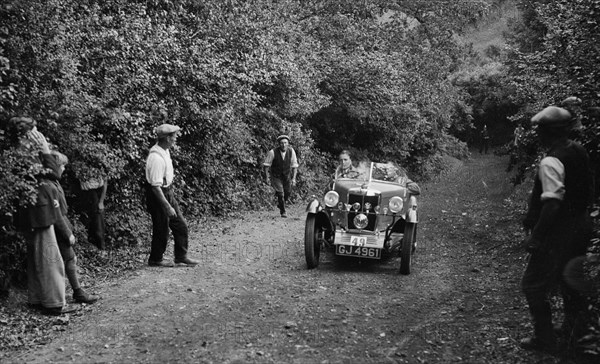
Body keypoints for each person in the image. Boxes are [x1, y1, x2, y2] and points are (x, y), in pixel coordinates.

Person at [520, 105, 593, 352]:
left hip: (559, 231)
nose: (537, 135)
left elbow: (552, 203)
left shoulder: (551, 161)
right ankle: (578, 333)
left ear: (546, 133)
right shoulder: (578, 150)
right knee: (569, 279)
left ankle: (545, 338)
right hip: (581, 225)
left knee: (533, 284)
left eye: (540, 130)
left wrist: (537, 237)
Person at [9, 117, 77, 315]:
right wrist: (45, 150)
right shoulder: (27, 153)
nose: (40, 136)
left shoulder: (21, 154)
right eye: (36, 131)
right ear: (29, 134)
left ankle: (38, 298)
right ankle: (54, 302)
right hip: (41, 211)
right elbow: (54, 173)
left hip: (35, 211)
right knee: (49, 257)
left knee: (37, 256)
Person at [145, 123, 198, 267]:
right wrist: (167, 206)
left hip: (167, 191)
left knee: (181, 225)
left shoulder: (165, 151)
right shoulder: (156, 158)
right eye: (173, 136)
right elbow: (155, 187)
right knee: (161, 228)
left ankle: (181, 256)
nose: (175, 139)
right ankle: (155, 259)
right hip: (158, 195)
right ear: (167, 138)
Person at [50, 151, 100, 304]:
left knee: (69, 259)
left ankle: (74, 291)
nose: (64, 169)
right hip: (58, 230)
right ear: (53, 167)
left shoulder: (55, 182)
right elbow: (57, 214)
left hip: (63, 226)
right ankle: (77, 292)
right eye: (62, 166)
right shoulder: (50, 186)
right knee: (69, 259)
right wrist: (67, 233)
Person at [263, 135, 298, 218]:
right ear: (279, 144)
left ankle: (280, 204)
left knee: (288, 192)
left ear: (288, 144)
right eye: (282, 143)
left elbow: (294, 165)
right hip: (276, 176)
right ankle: (283, 211)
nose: (284, 145)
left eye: (285, 143)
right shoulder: (272, 152)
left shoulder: (291, 151)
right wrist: (267, 177)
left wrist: (294, 179)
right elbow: (266, 165)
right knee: (280, 193)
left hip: (286, 176)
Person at [79, 173, 107, 251]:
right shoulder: (81, 166)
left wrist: (101, 201)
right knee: (86, 221)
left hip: (96, 194)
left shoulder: (99, 167)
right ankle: (88, 248)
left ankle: (101, 248)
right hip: (84, 194)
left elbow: (105, 183)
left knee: (98, 223)